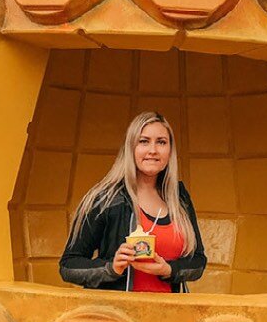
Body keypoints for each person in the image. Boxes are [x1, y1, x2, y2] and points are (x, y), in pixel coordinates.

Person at [60, 111, 206, 293]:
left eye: (161, 142)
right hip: (118, 316)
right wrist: (111, 268)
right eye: (143, 141)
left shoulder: (179, 197)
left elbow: (198, 261)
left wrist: (169, 270)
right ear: (131, 148)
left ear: (170, 150)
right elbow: (68, 265)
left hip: (171, 317)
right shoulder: (105, 198)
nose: (153, 150)